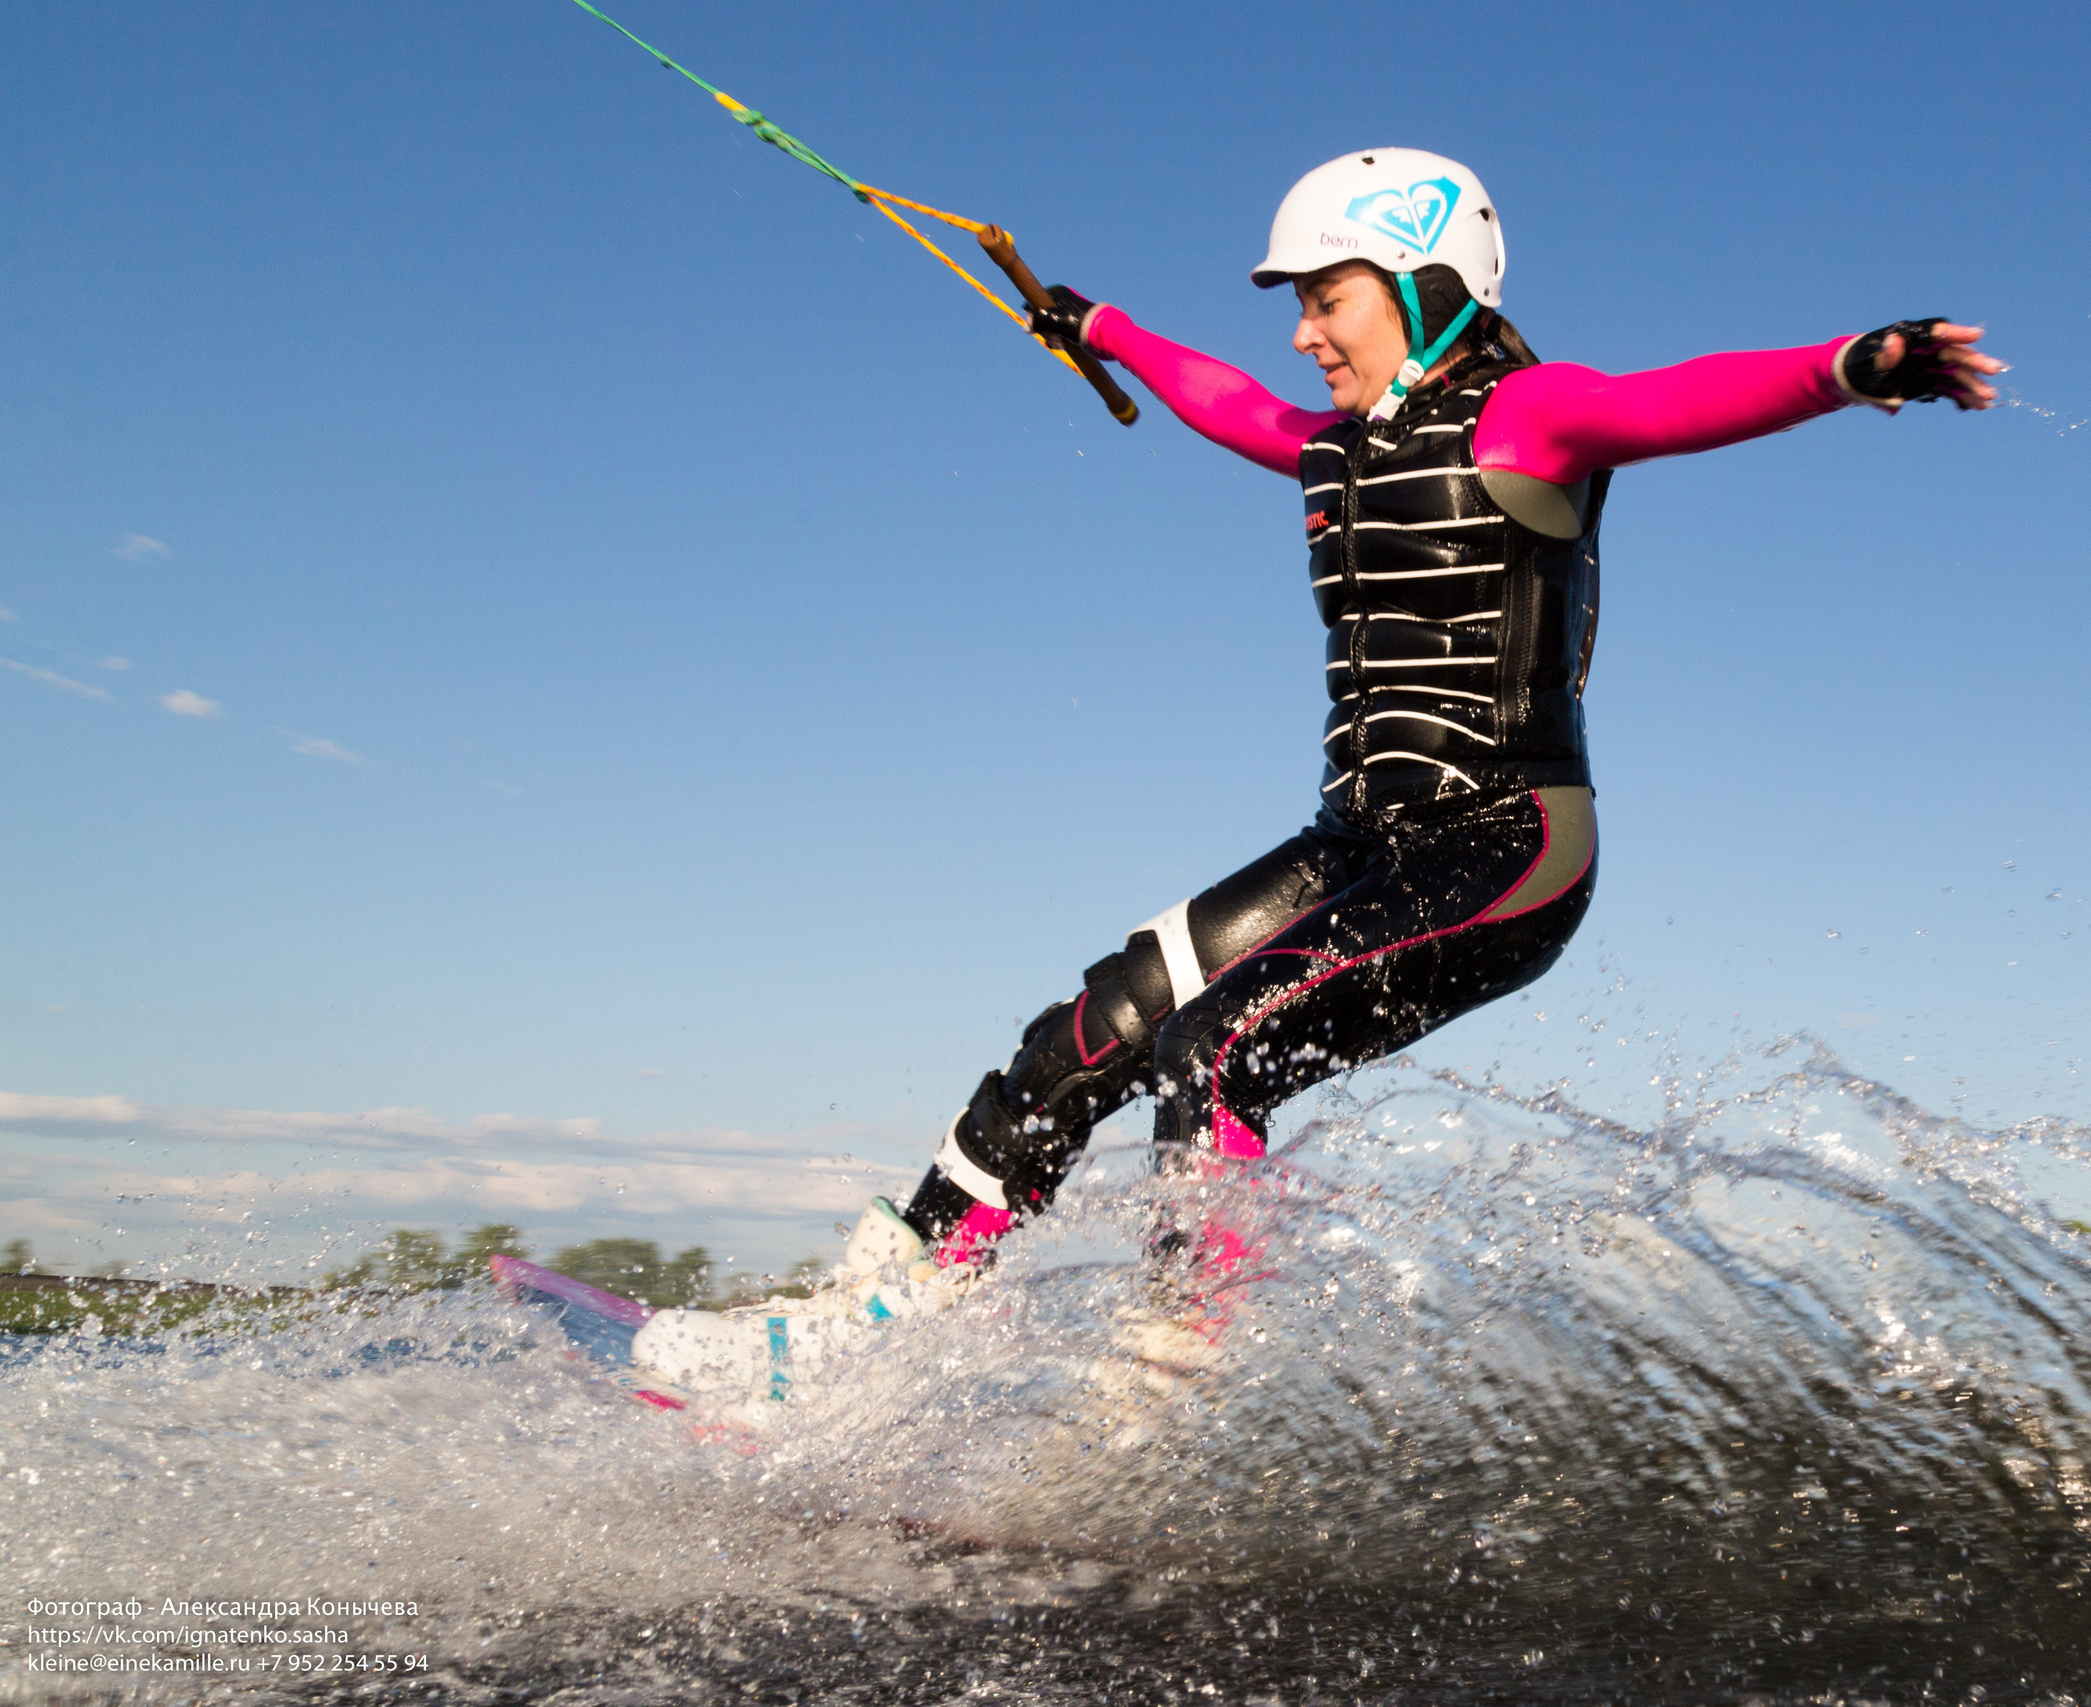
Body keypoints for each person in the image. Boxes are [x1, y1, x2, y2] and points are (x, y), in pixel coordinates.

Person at [635, 148, 2002, 1385]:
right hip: (1359, 839)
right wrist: (1094, 324)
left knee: (1220, 1047)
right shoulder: (1332, 452)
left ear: (1421, 285)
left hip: (1509, 842)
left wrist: (1850, 364)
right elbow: (1223, 400)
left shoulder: (1535, 418)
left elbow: (1678, 400)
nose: (1301, 331)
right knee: (1097, 1025)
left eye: (1326, 298)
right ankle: (878, 1323)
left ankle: (1159, 1399)